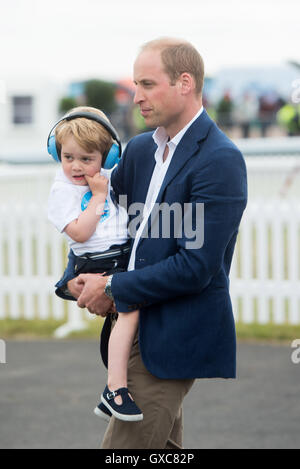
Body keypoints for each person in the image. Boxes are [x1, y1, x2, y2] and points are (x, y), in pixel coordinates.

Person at [56, 38, 248, 449]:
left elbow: (195, 266)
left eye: (146, 83)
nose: (136, 96)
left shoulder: (220, 159)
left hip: (175, 333)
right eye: (135, 84)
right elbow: (107, 225)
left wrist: (111, 287)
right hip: (132, 329)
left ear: (184, 82)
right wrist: (74, 278)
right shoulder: (141, 150)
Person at [47, 106, 143, 422]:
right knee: (129, 312)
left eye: (87, 159)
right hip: (95, 262)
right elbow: (79, 231)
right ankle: (115, 388)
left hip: (119, 256)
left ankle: (112, 389)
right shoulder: (62, 191)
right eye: (68, 157)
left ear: (106, 158)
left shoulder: (106, 176)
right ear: (57, 154)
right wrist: (99, 198)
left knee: (129, 316)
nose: (77, 166)